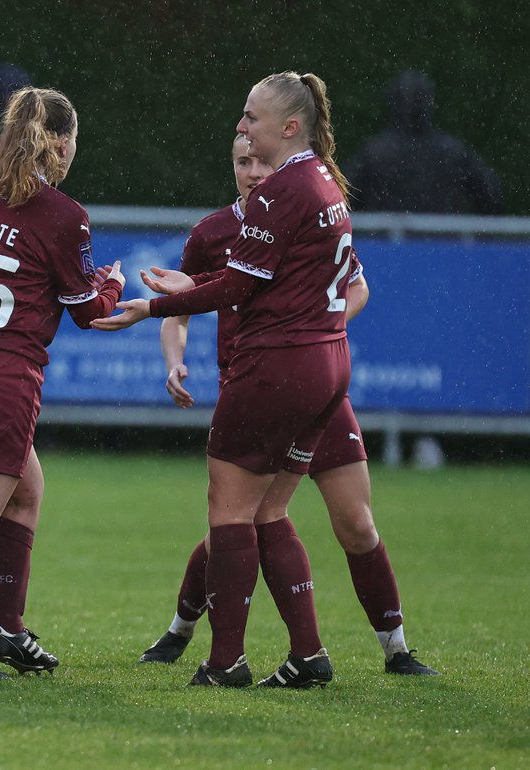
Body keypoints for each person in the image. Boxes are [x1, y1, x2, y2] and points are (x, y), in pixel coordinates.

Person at [138, 135, 438, 677]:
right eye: (242, 162)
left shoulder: (301, 206)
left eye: (261, 160)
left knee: (351, 522)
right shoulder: (212, 232)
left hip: (304, 381)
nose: (254, 171)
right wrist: (174, 361)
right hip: (259, 384)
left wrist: (313, 332)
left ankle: (393, 650)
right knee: (243, 520)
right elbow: (182, 309)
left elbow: (357, 287)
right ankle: (193, 632)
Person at [94, 71, 354, 689]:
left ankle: (225, 662)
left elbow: (240, 287)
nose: (242, 126)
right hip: (327, 363)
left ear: (289, 126)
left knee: (229, 511)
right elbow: (268, 279)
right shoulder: (325, 181)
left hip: (276, 366)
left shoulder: (279, 193)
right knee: (270, 511)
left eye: (251, 117)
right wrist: (191, 290)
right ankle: (307, 655)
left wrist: (151, 307)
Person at [0, 86, 123, 679]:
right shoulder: (63, 213)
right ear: (59, 143)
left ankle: (9, 632)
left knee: (26, 491)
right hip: (1, 373)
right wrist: (112, 283)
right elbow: (88, 312)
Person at [346, 71, 501, 214]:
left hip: (386, 235)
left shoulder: (375, 154)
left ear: (392, 103)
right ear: (430, 103)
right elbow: (492, 194)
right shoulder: (452, 152)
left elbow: (341, 200)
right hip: (443, 234)